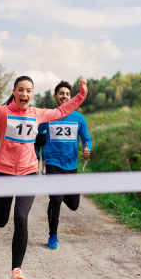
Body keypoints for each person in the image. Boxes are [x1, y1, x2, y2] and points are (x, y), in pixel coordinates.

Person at [0, 72, 87, 279]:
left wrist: (80, 95)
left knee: (21, 218)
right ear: (14, 93)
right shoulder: (2, 112)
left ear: (32, 94)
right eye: (21, 90)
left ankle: (16, 271)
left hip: (28, 173)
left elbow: (62, 110)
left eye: (29, 90)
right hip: (4, 173)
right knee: (3, 219)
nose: (25, 93)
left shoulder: (37, 114)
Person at [38, 81, 92, 250]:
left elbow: (87, 139)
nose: (65, 96)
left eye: (68, 94)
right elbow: (36, 133)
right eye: (61, 93)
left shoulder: (79, 118)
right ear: (55, 96)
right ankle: (53, 234)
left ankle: (59, 197)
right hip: (53, 163)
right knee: (56, 198)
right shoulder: (49, 115)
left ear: (72, 97)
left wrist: (86, 148)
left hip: (71, 166)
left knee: (74, 205)